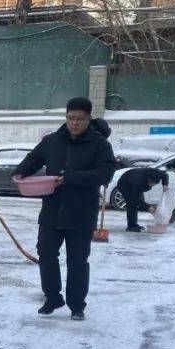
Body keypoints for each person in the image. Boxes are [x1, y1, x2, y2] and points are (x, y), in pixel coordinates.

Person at [14, 97, 116, 320]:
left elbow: (105, 173)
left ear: (89, 119)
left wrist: (70, 177)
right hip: (52, 210)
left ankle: (77, 305)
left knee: (77, 260)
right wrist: (20, 171)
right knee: (46, 254)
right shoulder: (52, 141)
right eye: (71, 118)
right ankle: (52, 297)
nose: (74, 123)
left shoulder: (99, 144)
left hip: (82, 213)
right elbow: (34, 158)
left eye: (80, 119)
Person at [116, 166, 170, 232]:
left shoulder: (156, 173)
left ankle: (134, 224)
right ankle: (131, 226)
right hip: (125, 185)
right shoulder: (137, 181)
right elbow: (134, 198)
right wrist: (148, 207)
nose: (153, 185)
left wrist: (165, 184)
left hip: (135, 182)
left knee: (136, 204)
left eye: (155, 184)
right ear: (149, 180)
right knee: (131, 204)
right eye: (152, 183)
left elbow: (165, 175)